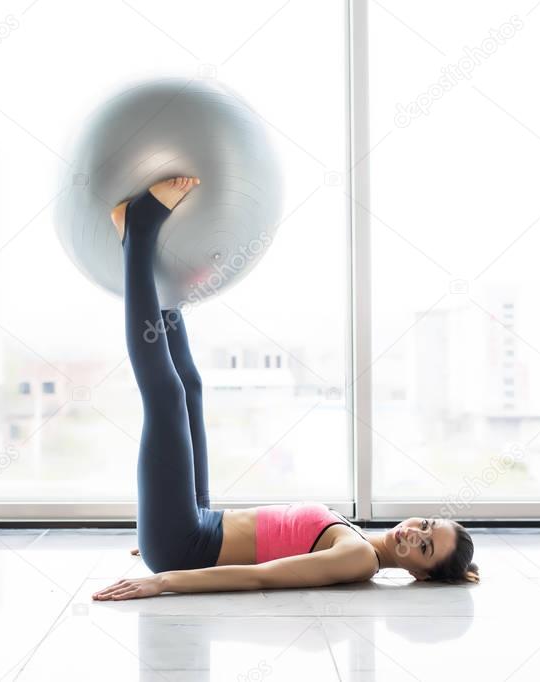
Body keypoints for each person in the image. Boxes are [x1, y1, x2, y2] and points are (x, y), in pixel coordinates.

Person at [92, 177, 479, 602]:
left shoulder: (359, 559)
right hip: (195, 524)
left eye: (423, 547)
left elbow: (263, 577)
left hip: (185, 543)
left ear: (419, 576)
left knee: (167, 397)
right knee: (191, 388)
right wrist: (159, 526)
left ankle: (139, 232)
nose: (413, 533)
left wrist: (164, 577)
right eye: (426, 525)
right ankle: (164, 295)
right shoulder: (357, 535)